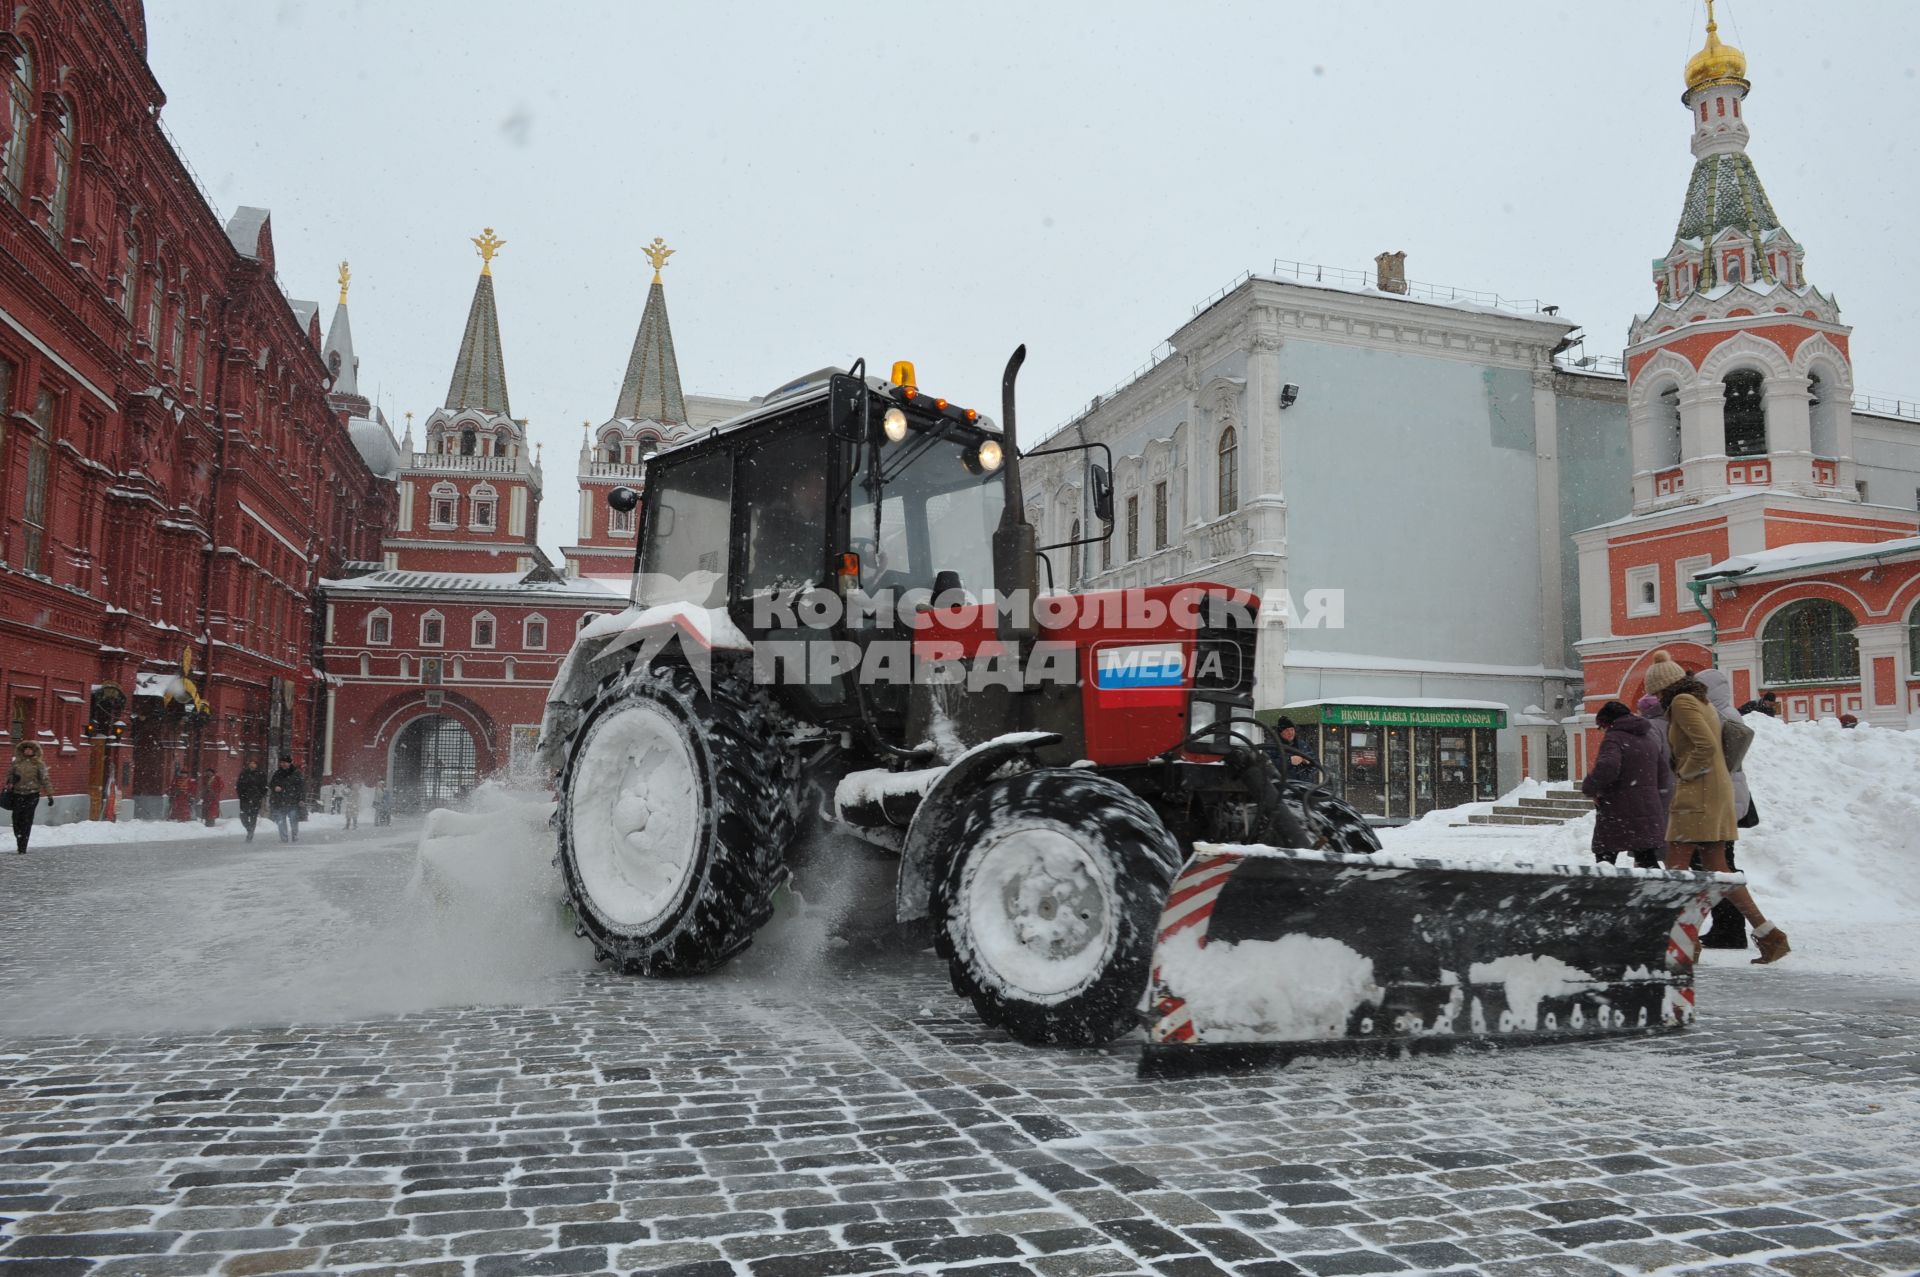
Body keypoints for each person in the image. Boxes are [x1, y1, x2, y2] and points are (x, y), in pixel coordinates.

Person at [1642, 650, 1789, 964]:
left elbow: (1705, 746)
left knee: (1678, 867)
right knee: (1719, 870)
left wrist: (1683, 772)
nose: (1654, 697)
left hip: (1698, 795)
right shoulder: (1700, 700)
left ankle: (1682, 941)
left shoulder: (1681, 703)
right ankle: (1769, 935)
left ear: (1665, 686)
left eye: (1655, 691)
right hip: (1714, 792)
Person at [1579, 702, 1666, 869]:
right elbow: (1662, 773)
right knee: (1646, 859)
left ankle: (1606, 893)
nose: (1602, 731)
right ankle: (1654, 892)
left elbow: (1608, 767)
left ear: (1607, 722)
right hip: (1648, 809)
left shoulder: (1614, 738)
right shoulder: (1646, 738)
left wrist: (1590, 787)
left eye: (1600, 727)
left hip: (1618, 809)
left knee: (1605, 859)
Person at [1634, 694, 1676, 826]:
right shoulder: (1672, 722)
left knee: (1661, 831)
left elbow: (1649, 759)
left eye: (1639, 710)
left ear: (1645, 710)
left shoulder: (1650, 727)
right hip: (1676, 782)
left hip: (1661, 786)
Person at [6, 741, 54, 854]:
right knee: (16, 819)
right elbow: (9, 775)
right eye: (26, 749)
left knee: (26, 820)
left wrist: (50, 795)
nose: (27, 751)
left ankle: (23, 846)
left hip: (32, 795)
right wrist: (12, 780)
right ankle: (19, 837)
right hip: (17, 794)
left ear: (34, 751)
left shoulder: (38, 764)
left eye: (30, 749)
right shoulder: (16, 762)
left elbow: (45, 779)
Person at [1264, 716, 1319, 783]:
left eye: (1292, 729)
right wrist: (1289, 761)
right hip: (1283, 789)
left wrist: (1308, 761)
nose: (1290, 733)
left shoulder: (1302, 745)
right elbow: (1266, 767)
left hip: (1305, 788)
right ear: (1280, 732)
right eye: (1286, 730)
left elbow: (1317, 764)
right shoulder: (1271, 747)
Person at [268, 753, 305, 844]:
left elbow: (302, 787)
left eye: (285, 762)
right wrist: (275, 787)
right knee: (281, 821)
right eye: (282, 762)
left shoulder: (297, 773)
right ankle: (284, 838)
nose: (283, 764)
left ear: (290, 763)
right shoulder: (277, 773)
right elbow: (271, 784)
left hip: (293, 801)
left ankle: (295, 835)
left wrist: (301, 799)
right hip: (279, 801)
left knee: (293, 819)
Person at [235, 759, 267, 843]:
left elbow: (264, 786)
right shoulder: (244, 773)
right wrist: (240, 794)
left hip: (256, 799)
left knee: (253, 817)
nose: (252, 765)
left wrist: (260, 795)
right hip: (244, 798)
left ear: (257, 765)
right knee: (243, 816)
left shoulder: (261, 774)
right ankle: (249, 829)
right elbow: (239, 785)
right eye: (251, 763)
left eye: (254, 763)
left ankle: (251, 833)